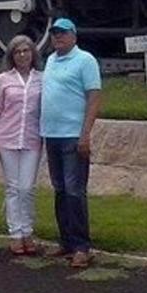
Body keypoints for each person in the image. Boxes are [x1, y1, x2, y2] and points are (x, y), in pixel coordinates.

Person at [39, 17, 102, 269]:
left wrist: (85, 134)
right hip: (51, 135)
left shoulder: (85, 60)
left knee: (75, 190)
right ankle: (66, 241)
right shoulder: (51, 60)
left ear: (74, 36)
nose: (58, 37)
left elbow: (94, 97)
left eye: (63, 33)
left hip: (72, 135)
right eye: (55, 33)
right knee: (60, 189)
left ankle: (82, 246)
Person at [0, 34, 43, 255]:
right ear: (12, 55)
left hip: (31, 138)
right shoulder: (4, 79)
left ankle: (27, 230)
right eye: (18, 52)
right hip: (8, 138)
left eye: (26, 51)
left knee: (27, 187)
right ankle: (16, 234)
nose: (22, 55)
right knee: (12, 187)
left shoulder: (42, 78)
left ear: (32, 53)